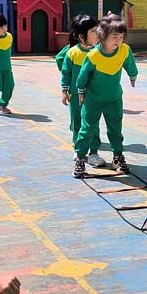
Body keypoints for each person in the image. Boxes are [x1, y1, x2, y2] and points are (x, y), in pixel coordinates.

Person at [73, 13, 138, 178]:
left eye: (121, 37)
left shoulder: (124, 50)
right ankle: (80, 158)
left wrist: (133, 75)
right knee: (87, 129)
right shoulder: (93, 55)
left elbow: (129, 63)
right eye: (114, 37)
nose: (118, 41)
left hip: (114, 99)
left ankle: (117, 157)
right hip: (93, 100)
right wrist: (81, 91)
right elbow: (83, 76)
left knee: (115, 129)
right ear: (102, 36)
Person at [58, 14, 105, 166]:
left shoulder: (99, 51)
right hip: (75, 95)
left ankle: (94, 153)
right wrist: (65, 91)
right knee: (77, 122)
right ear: (81, 36)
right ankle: (79, 150)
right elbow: (65, 73)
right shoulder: (72, 52)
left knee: (93, 124)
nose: (97, 33)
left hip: (93, 96)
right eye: (93, 31)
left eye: (97, 29)